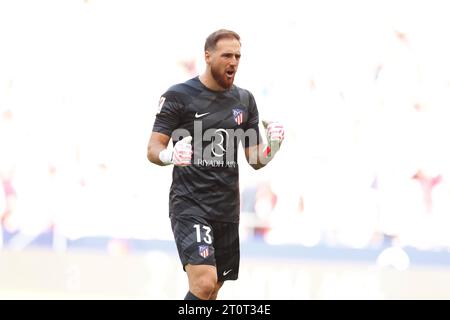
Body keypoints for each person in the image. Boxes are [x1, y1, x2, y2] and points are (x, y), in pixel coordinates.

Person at [147, 29, 285, 300]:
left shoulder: (244, 100)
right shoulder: (179, 96)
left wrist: (272, 149)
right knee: (204, 284)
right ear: (208, 56)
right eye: (227, 56)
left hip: (226, 207)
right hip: (190, 204)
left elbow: (254, 160)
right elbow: (153, 148)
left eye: (238, 56)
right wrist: (169, 156)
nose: (234, 62)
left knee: (213, 291)